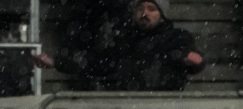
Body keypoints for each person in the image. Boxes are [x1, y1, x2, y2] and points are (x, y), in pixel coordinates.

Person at [34, 0, 204, 91]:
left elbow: (191, 59)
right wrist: (58, 62)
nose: (144, 14)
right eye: (140, 9)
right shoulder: (125, 42)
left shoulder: (177, 37)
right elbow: (96, 64)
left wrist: (193, 61)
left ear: (162, 14)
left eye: (151, 8)